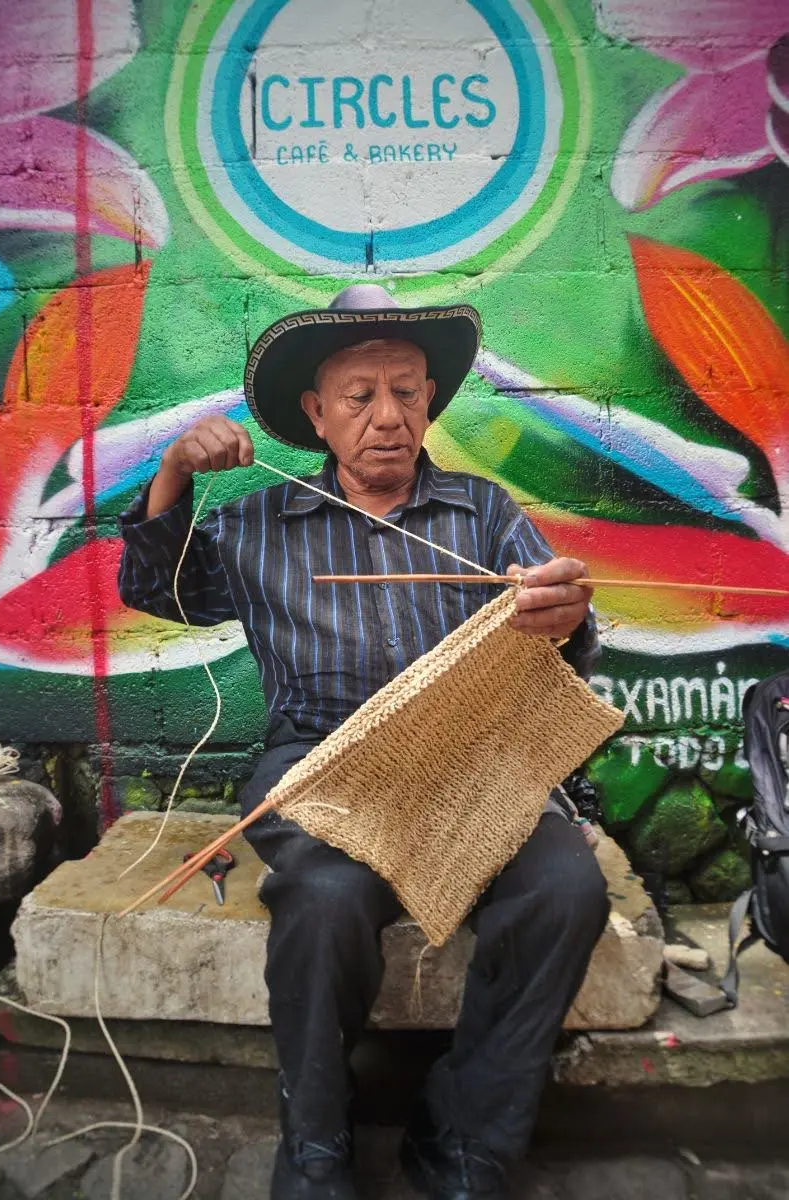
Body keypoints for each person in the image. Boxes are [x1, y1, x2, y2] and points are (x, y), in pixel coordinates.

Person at [118, 285, 610, 1200]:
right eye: (359, 397)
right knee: (322, 892)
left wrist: (567, 616)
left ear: (429, 399)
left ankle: (464, 1136)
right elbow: (153, 588)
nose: (388, 418)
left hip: (478, 762)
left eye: (408, 392)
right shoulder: (256, 525)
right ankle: (315, 1137)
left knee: (565, 887)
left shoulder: (482, 512)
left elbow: (567, 644)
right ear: (314, 412)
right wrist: (176, 471)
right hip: (322, 767)